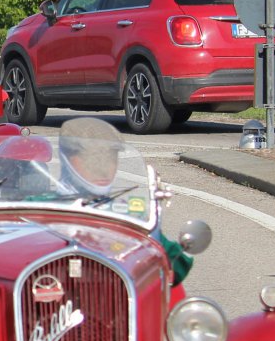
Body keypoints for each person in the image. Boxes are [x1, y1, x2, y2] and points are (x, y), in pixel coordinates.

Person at [57, 116, 193, 284]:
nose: (103, 169)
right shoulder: (37, 207)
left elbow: (177, 266)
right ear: (66, 159)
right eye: (91, 158)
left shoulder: (127, 212)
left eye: (110, 158)